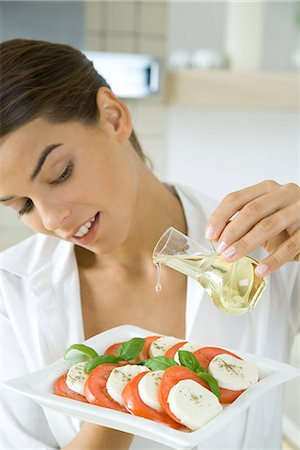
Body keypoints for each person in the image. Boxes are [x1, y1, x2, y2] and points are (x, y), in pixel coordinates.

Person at [0, 38, 299, 450]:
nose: (52, 220)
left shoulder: (264, 246)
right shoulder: (10, 295)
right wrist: (120, 396)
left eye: (61, 173)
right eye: (22, 206)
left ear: (113, 116)